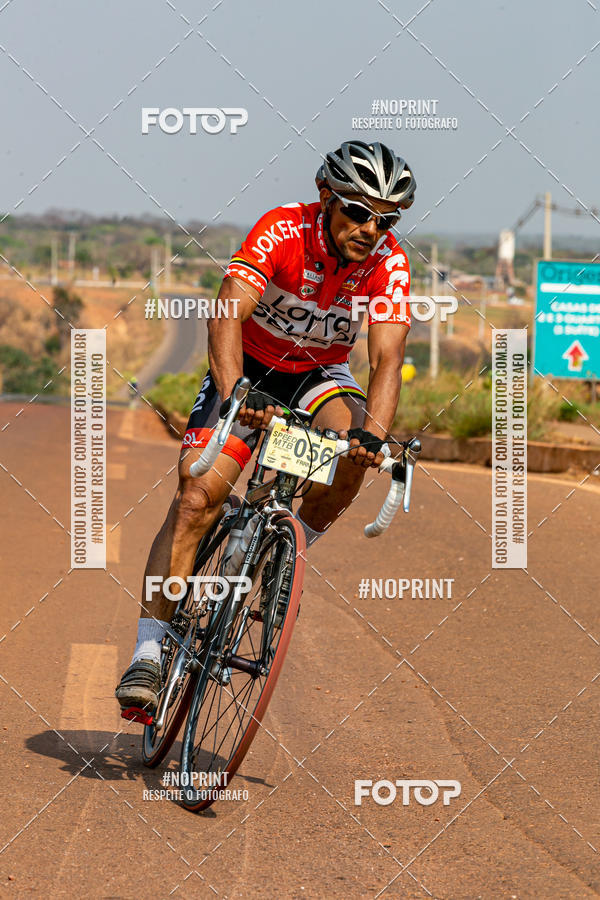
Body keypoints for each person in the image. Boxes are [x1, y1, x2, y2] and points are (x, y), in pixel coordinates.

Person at [115, 140, 416, 714]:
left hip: (318, 374)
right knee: (197, 498)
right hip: (249, 369)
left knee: (355, 457)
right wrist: (234, 394)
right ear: (326, 198)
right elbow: (228, 310)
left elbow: (387, 359)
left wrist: (373, 436)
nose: (369, 229)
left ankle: (289, 553)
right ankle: (150, 653)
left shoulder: (389, 263)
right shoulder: (281, 229)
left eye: (385, 220)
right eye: (356, 210)